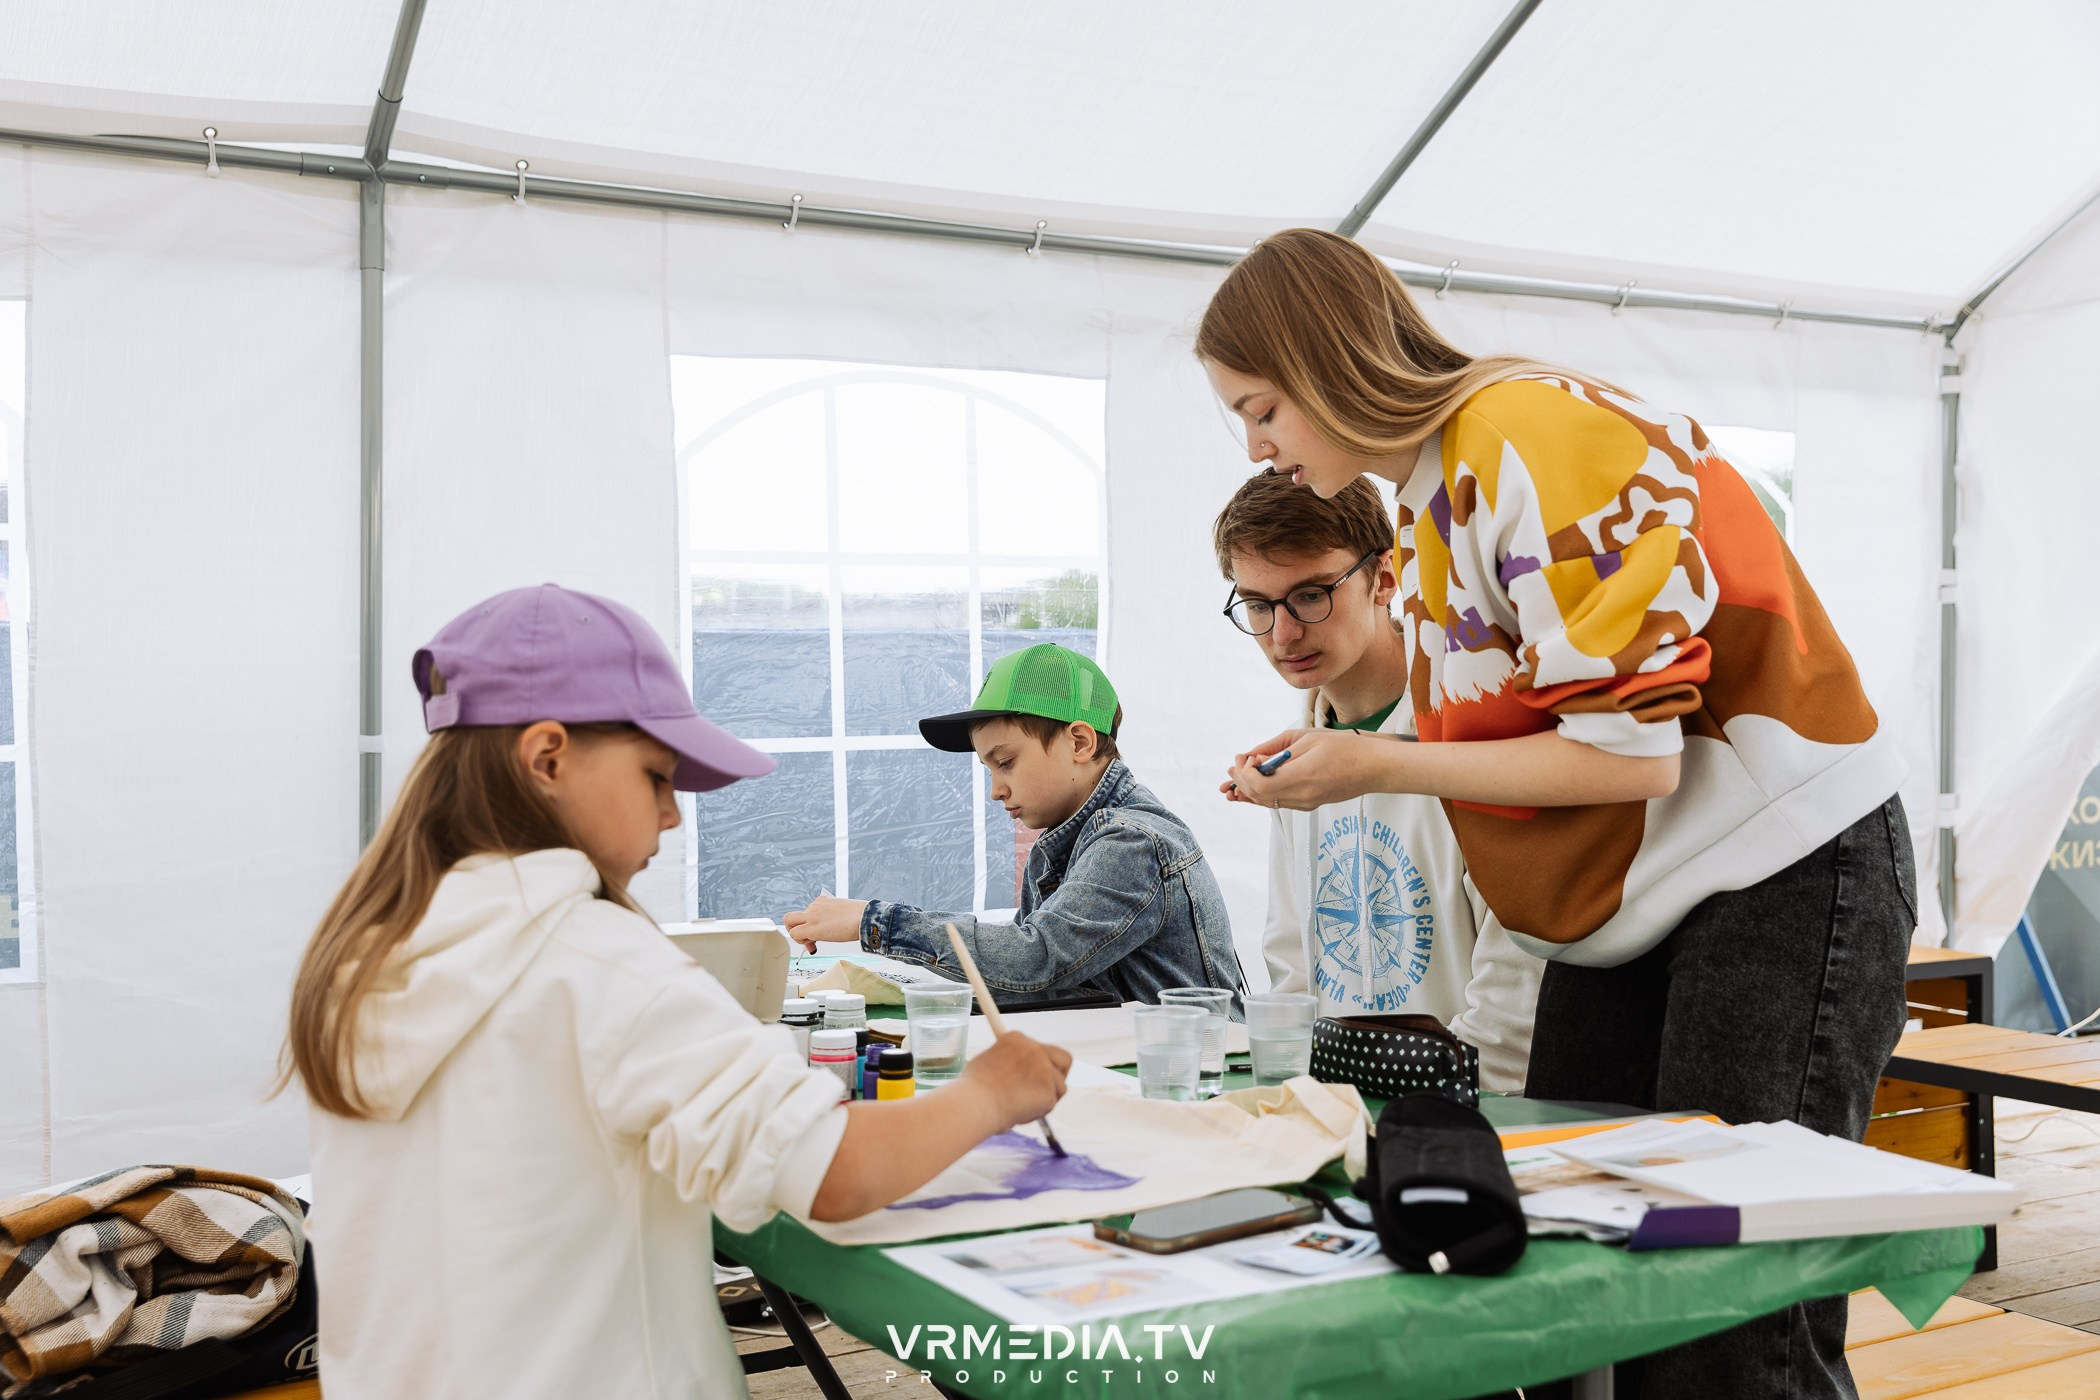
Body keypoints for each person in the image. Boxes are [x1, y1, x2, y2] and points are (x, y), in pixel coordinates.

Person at [1202, 230, 1914, 1399]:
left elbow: (1630, 757)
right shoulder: (1434, 494)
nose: (1257, 445)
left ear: (1326, 358)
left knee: (1726, 1316)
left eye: (1261, 406)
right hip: (1635, 905)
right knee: (1587, 1267)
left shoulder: (1525, 434)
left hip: (1776, 866)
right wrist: (1364, 757)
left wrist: (1372, 764)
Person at [286, 584, 1070, 1400]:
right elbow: (833, 1171)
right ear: (547, 758)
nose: (672, 816)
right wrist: (990, 1092)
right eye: (656, 777)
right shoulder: (595, 959)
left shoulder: (362, 958)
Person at [1213, 469, 1538, 1091]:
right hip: (1342, 1109)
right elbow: (1293, 968)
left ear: (1384, 578)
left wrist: (1458, 1096)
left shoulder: (1474, 730)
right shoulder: (1288, 764)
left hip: (1475, 1111)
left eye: (1311, 595)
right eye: (1257, 605)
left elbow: (1516, 986)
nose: (1283, 634)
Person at [786, 643, 1245, 1006]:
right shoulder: (1062, 843)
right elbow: (1023, 979)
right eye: (989, 769)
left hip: (1202, 1072)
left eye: (1005, 762)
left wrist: (874, 921)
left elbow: (1034, 959)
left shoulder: (1131, 841)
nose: (996, 790)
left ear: (1080, 743)